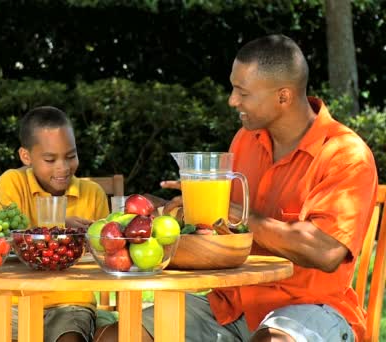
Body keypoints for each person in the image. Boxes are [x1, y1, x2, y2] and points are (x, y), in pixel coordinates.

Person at [142, 34, 379, 342]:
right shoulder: (245, 140)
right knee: (120, 334)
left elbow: (326, 251)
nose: (232, 100)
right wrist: (174, 216)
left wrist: (238, 216)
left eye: (242, 92)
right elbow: (221, 230)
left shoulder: (345, 155)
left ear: (284, 97)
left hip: (309, 309)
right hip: (232, 306)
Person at [0, 106, 109, 342]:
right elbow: (1, 241)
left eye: (70, 156)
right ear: (26, 157)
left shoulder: (92, 194)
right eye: (50, 159)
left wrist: (94, 241)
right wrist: (58, 226)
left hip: (71, 302)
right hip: (12, 299)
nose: (63, 168)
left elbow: (106, 255)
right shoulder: (12, 181)